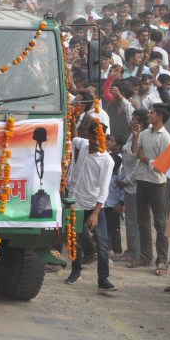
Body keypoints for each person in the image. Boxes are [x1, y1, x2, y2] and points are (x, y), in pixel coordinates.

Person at [65, 122, 117, 290]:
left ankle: (103, 279)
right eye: (93, 137)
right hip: (75, 202)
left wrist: (95, 213)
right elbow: (73, 139)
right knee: (75, 241)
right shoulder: (84, 144)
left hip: (94, 206)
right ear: (89, 136)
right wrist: (73, 120)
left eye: (99, 138)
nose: (96, 141)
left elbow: (104, 190)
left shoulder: (106, 160)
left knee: (102, 243)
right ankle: (75, 272)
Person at [131, 103, 170, 276]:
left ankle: (162, 259)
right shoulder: (144, 133)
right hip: (142, 180)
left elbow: (163, 165)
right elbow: (135, 152)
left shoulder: (166, 138)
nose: (149, 114)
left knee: (160, 223)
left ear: (160, 117)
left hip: (157, 183)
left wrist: (146, 160)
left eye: (152, 112)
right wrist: (135, 137)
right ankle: (145, 255)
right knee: (143, 221)